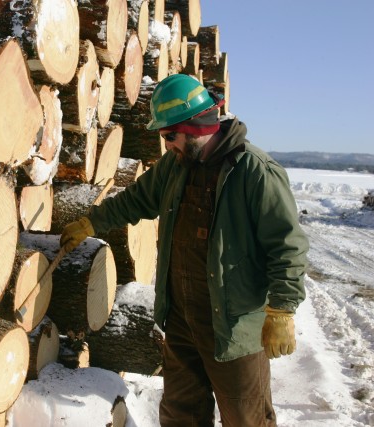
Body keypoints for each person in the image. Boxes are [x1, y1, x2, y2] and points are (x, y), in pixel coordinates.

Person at [60, 73, 309, 426]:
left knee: (246, 418)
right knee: (181, 416)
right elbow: (137, 199)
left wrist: (283, 309)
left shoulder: (255, 173)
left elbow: (288, 247)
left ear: (194, 127)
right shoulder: (176, 167)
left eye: (169, 136)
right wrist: (92, 223)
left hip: (233, 326)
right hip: (181, 321)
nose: (166, 146)